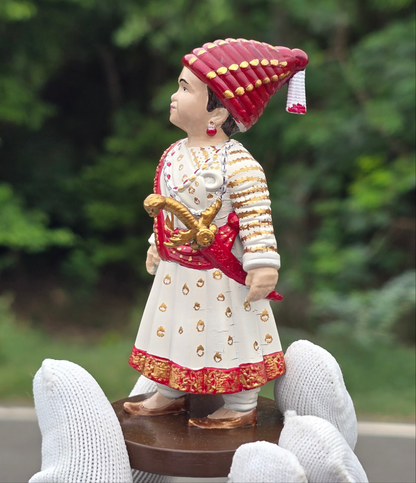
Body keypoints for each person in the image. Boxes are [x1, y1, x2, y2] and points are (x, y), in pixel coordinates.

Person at [123, 38, 308, 429]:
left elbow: (256, 217)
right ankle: (170, 391)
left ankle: (241, 405)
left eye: (184, 88)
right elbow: (165, 210)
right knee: (172, 331)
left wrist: (263, 265)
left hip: (221, 274)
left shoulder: (237, 163)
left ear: (219, 112)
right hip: (177, 272)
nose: (173, 96)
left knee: (228, 334)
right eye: (178, 86)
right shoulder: (173, 153)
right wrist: (156, 244)